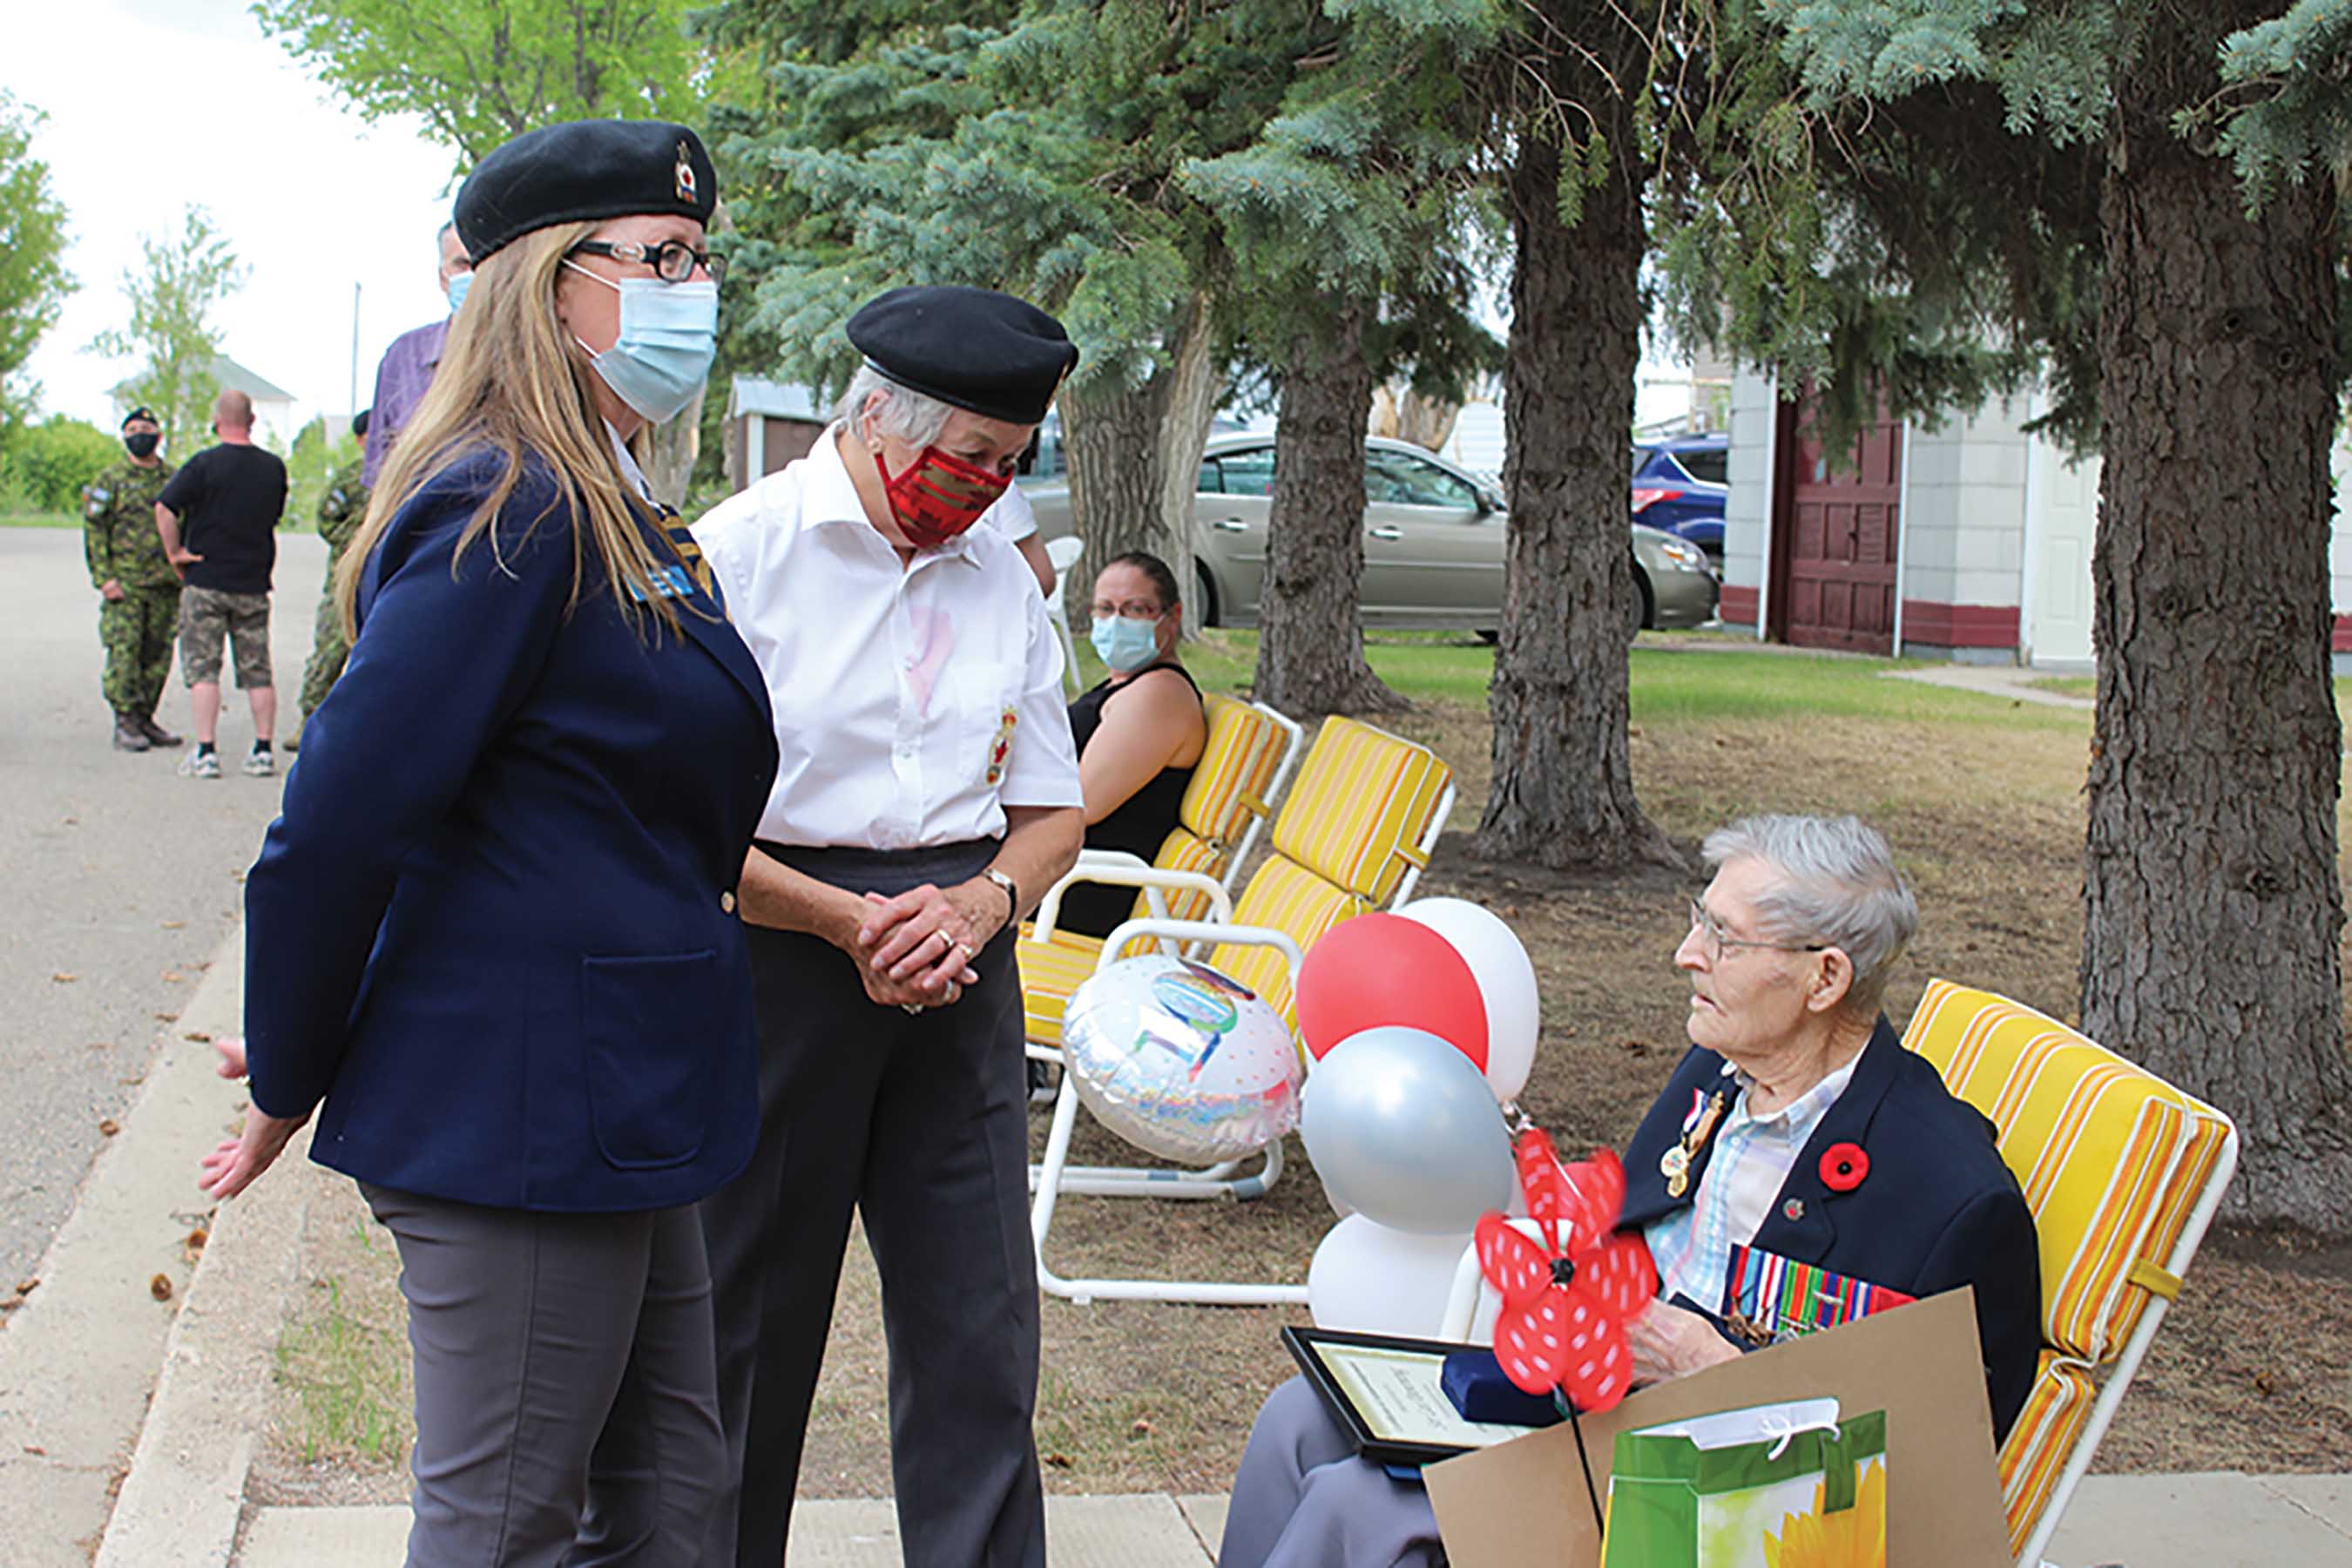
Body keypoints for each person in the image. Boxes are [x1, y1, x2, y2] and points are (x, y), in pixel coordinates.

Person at [198, 118, 776, 1567]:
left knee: (669, 1509)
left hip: (623, 1094)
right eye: (660, 259)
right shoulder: (508, 505)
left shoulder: (623, 507)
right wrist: (293, 1061)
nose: (692, 291)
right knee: (506, 1523)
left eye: (702, 259)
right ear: (545, 286)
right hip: (523, 1110)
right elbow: (338, 825)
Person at [1219, 814, 2042, 1568]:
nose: (1688, 953)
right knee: (1299, 1423)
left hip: (1710, 1493)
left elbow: (1932, 1470)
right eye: (1700, 918)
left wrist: (1701, 1361)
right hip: (1595, 1406)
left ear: (1824, 980)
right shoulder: (1721, 1071)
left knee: (1358, 1502)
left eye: (1723, 938)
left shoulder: (1952, 1199)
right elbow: (1629, 1229)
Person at [690, 283, 1086, 1568]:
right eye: (965, 458)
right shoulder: (736, 556)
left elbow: (1051, 812)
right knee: (744, 1331)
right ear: (874, 415)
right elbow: (674, 818)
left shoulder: (1004, 585)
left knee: (979, 1329)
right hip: (779, 962)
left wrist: (980, 905)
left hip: (959, 962)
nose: (981, 490)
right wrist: (843, 922)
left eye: (1009, 467)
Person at [1051, 550, 1208, 939]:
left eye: (1135, 609)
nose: (1115, 622)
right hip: (1064, 870)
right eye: (1105, 609)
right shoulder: (1125, 685)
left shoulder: (1160, 695)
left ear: (1172, 617)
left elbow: (1079, 804)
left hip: (1082, 888)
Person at [156, 389, 288, 780]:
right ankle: (263, 749)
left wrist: (175, 552)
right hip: (252, 581)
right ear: (252, 422)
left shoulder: (203, 465)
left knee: (203, 669)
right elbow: (274, 516)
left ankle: (207, 751)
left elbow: (164, 507)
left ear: (216, 421)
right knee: (258, 670)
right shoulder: (273, 468)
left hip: (206, 579)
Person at [82, 406, 183, 752]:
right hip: (126, 584)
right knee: (125, 652)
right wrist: (104, 577)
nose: (139, 434)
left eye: (146, 427)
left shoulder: (173, 478)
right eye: (132, 429)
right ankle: (124, 719)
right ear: (124, 436)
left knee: (158, 653)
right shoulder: (111, 479)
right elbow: (95, 530)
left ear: (158, 435)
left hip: (165, 582)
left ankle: (145, 717)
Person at [362, 220, 472, 488]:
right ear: (442, 277)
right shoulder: (404, 358)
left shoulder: (533, 355)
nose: (473, 274)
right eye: (461, 264)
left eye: (482, 263)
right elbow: (378, 476)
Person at [287, 408, 370, 749]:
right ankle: (309, 720)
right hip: (345, 581)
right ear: (361, 440)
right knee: (330, 652)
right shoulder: (350, 479)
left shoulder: (413, 474)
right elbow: (327, 521)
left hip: (390, 583)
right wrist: (357, 542)